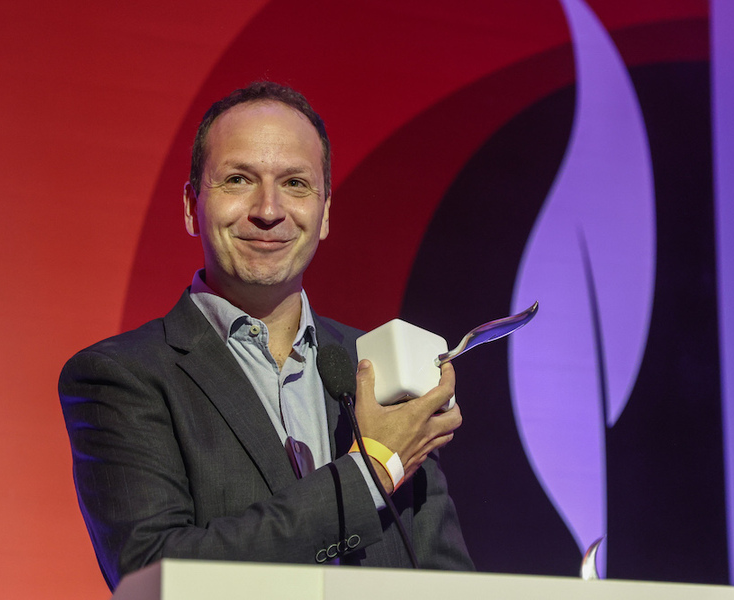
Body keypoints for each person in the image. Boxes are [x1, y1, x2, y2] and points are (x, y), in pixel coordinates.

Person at [59, 82, 473, 591]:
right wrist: (372, 473)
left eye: (296, 184)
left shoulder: (375, 364)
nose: (269, 210)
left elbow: (447, 582)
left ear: (324, 214)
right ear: (192, 207)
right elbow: (158, 577)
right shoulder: (120, 376)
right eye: (238, 179)